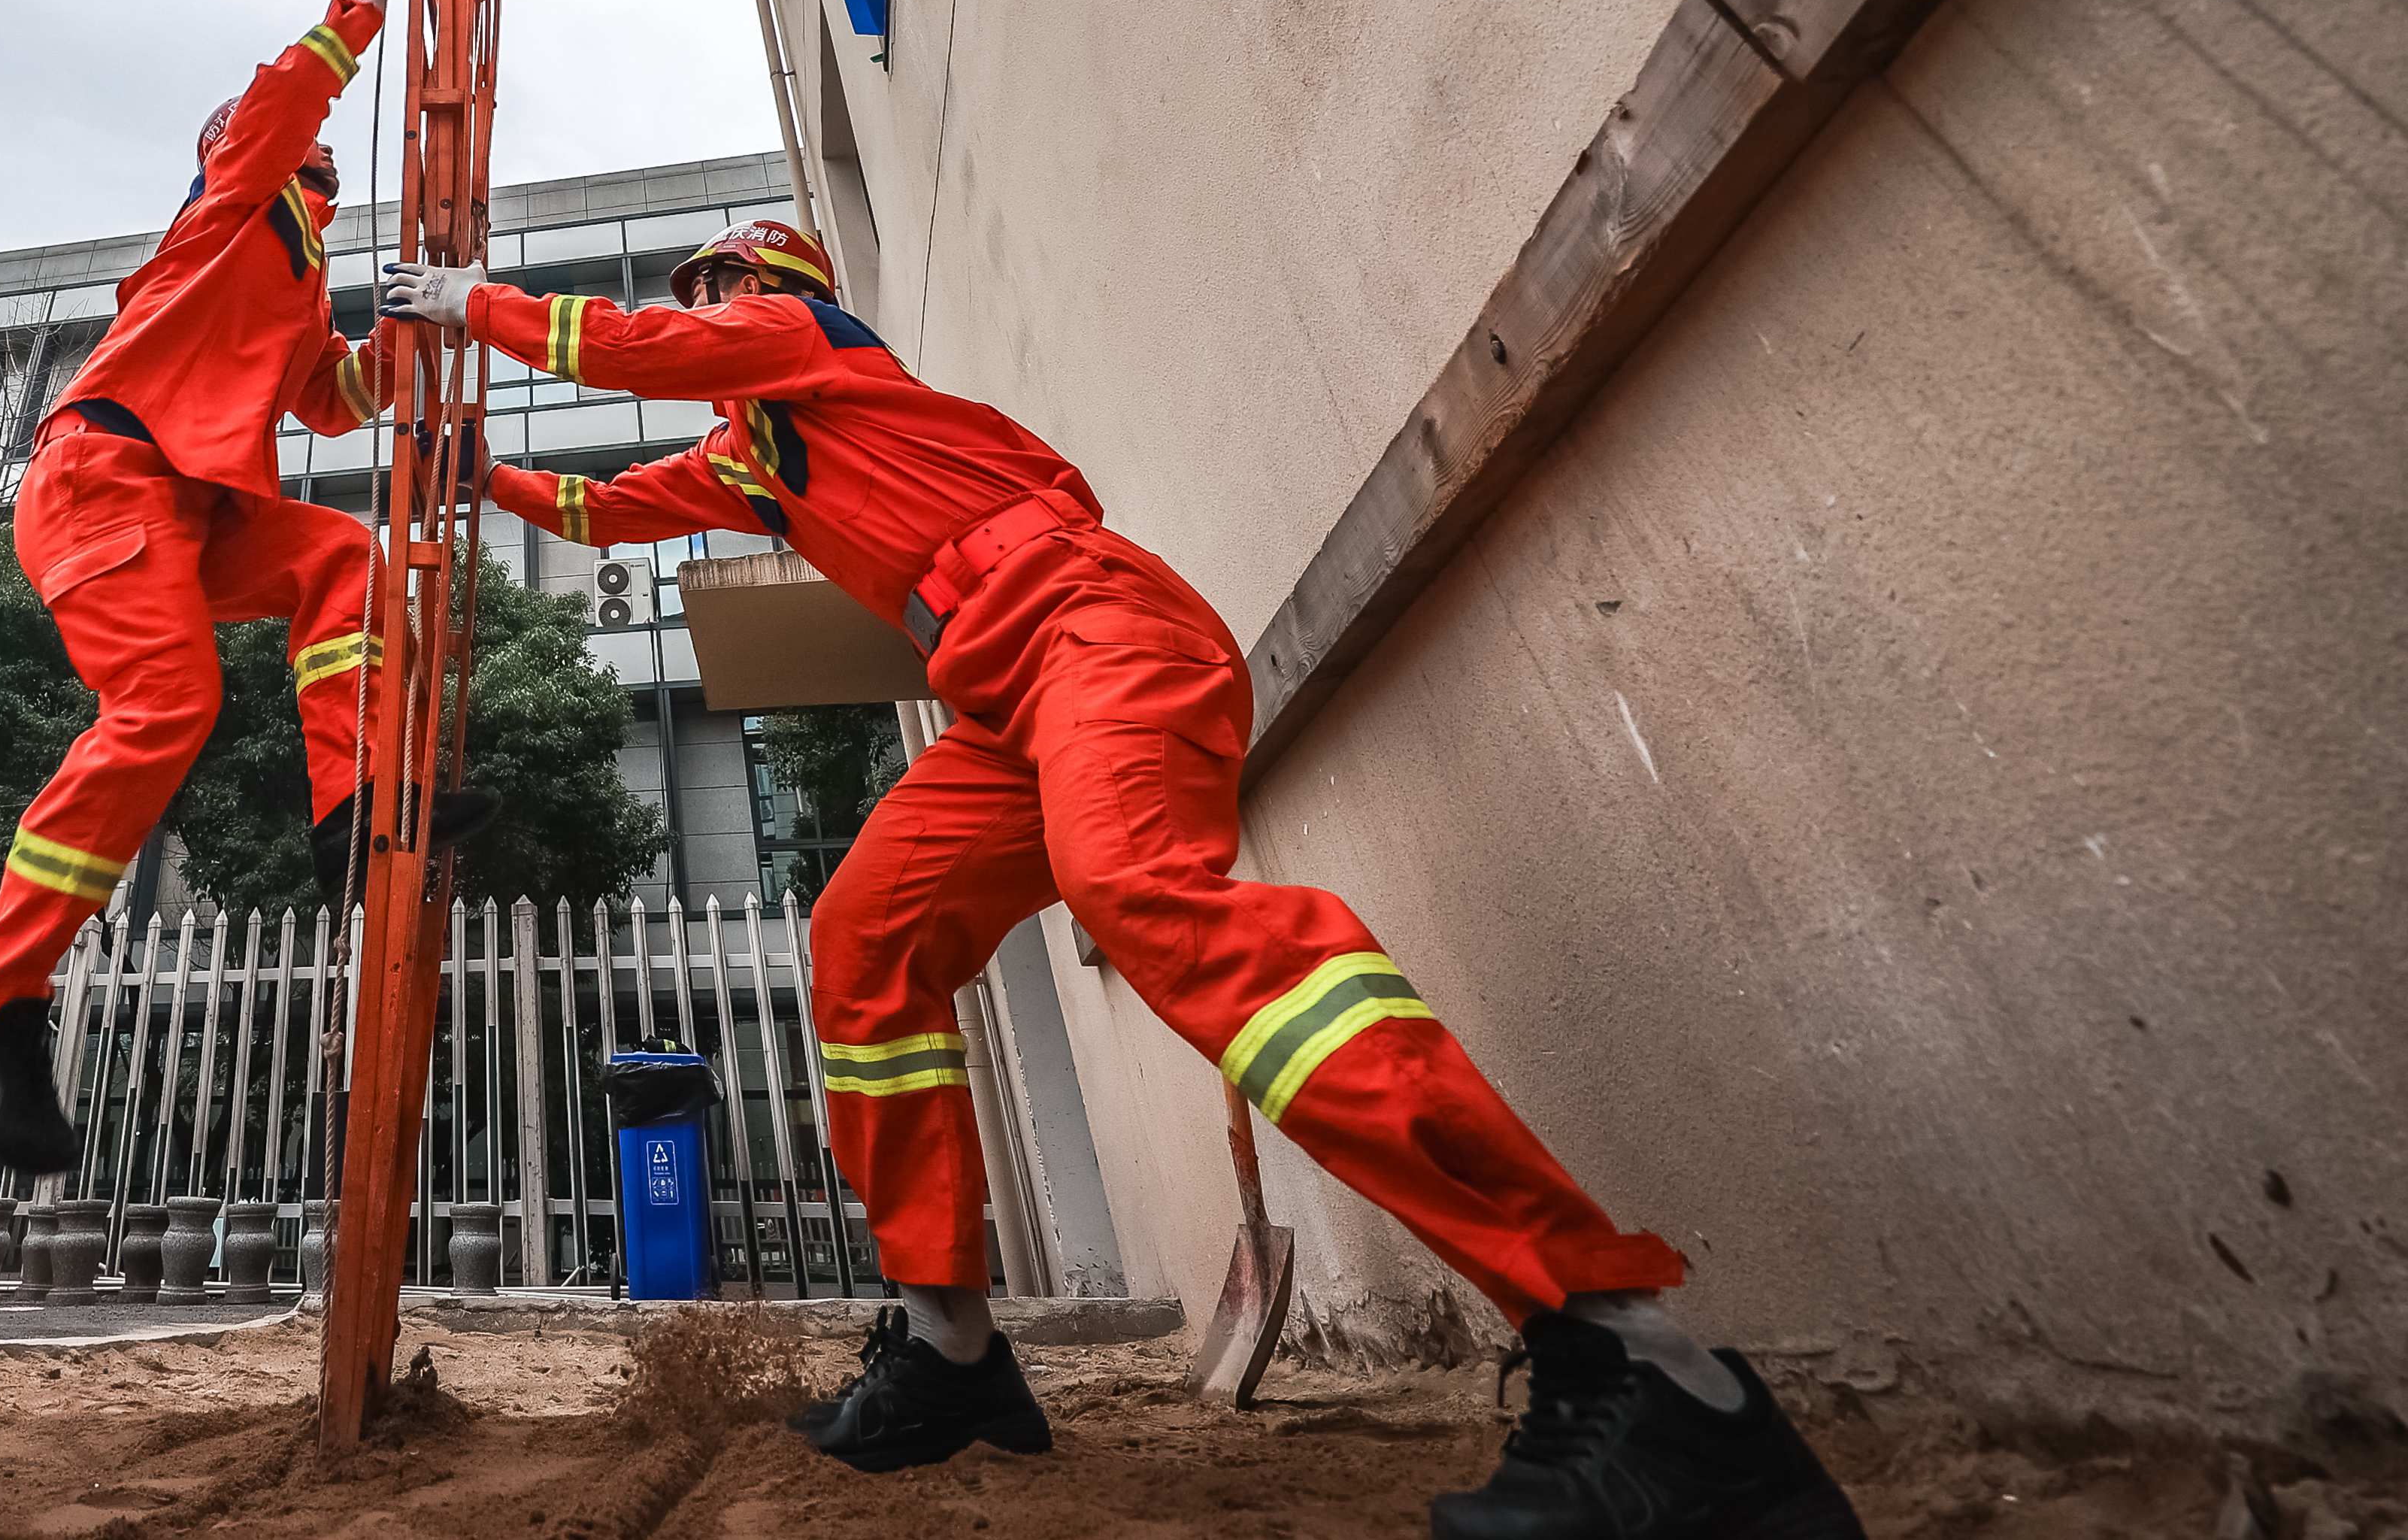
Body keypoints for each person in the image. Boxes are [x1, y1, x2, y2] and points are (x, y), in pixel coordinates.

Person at [380, 224, 1857, 1540]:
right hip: (1010, 706)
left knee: (1137, 893)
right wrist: (471, 475)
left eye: (732, 284)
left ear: (784, 299)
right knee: (864, 939)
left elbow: (660, 347)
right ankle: (951, 1350)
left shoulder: (816, 351)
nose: (712, 305)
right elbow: (605, 511)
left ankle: (1637, 1351)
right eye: (701, 288)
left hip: (1100, 632)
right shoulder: (757, 464)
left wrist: (472, 303)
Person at [0, 0, 497, 1178]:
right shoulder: (225, 209)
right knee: (166, 705)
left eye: (324, 181)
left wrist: (412, 305)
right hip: (104, 482)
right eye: (312, 167)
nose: (324, 183)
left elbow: (337, 399)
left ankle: (353, 807)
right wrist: (351, 22)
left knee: (338, 551)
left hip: (183, 505)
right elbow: (278, 110)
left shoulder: (286, 276)